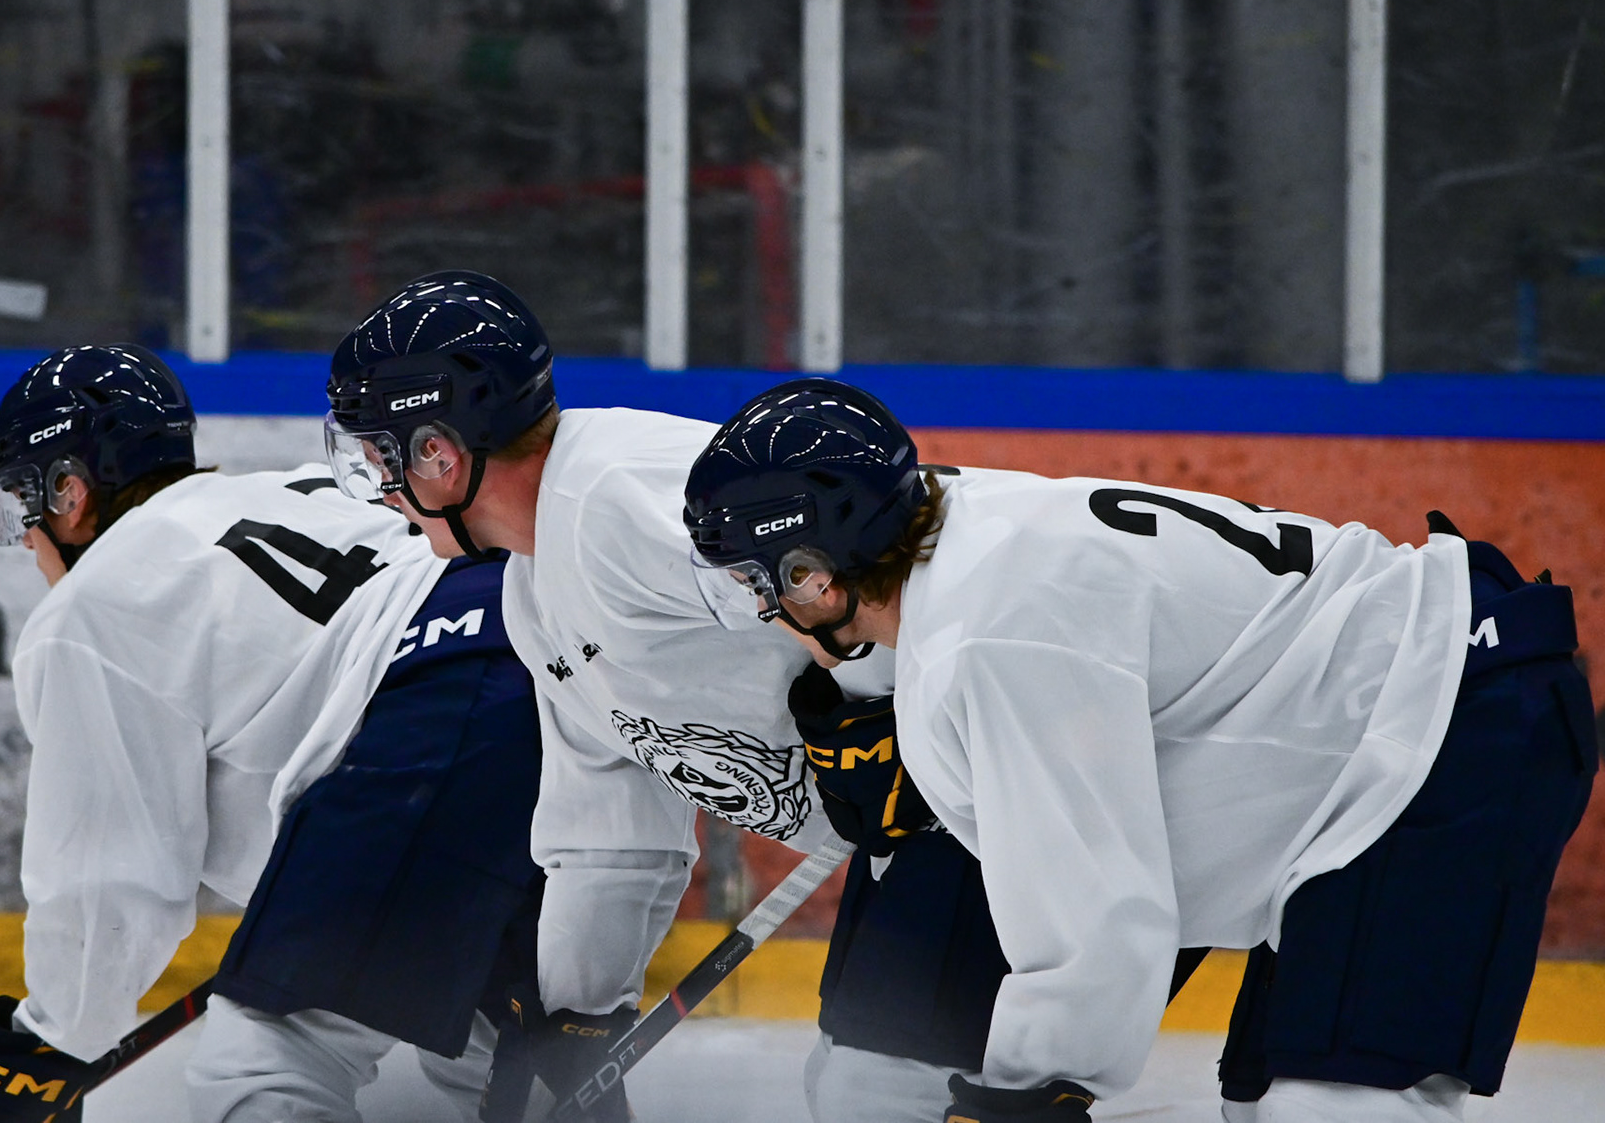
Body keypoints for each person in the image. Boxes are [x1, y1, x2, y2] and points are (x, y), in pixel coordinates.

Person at [682, 377, 1598, 1123]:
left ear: (814, 570)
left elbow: (1097, 914)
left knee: (1333, 1106)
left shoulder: (995, 633)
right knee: (1272, 1103)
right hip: (1374, 726)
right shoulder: (957, 533)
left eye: (764, 579)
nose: (764, 607)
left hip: (1456, 713)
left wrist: (1029, 1092)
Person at [322, 273, 1044, 1122]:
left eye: (380, 455)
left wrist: (895, 714)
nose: (381, 485)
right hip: (941, 831)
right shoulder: (536, 597)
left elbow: (888, 558)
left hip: (1017, 782)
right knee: (864, 1086)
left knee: (882, 1089)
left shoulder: (622, 500)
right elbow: (609, 833)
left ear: (438, 449)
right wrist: (577, 1018)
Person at [0, 344, 544, 1123]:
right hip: (548, 677)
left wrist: (49, 1044)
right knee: (503, 1068)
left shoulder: (94, 604)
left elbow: (110, 880)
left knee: (263, 1073)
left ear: (69, 491)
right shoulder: (295, 488)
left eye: (24, 507)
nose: (28, 542)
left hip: (430, 737)